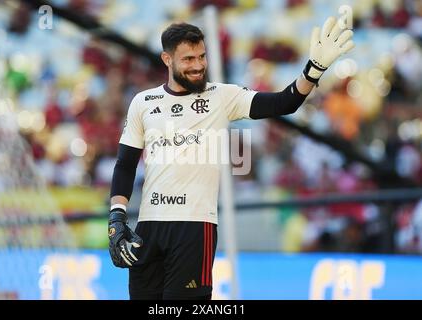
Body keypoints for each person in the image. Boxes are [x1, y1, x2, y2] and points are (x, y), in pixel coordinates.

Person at [108, 17, 354, 300]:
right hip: (149, 226)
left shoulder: (222, 96)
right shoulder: (143, 102)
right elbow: (125, 165)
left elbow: (285, 101)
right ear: (167, 59)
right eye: (188, 59)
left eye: (202, 56)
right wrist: (116, 218)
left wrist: (314, 70)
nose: (198, 65)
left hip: (194, 227)